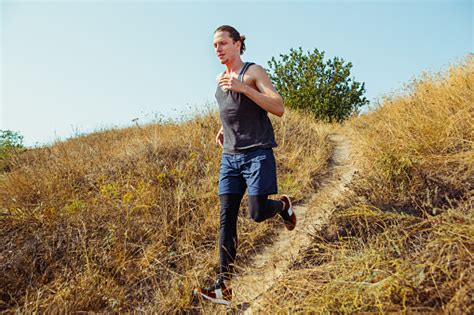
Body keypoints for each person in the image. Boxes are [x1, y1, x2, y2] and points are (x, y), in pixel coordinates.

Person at [193, 25, 296, 306]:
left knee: (258, 213)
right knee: (226, 218)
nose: (218, 49)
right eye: (215, 45)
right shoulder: (219, 78)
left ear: (238, 44)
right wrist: (223, 128)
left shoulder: (253, 72)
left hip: (257, 153)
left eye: (223, 43)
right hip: (230, 157)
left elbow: (278, 107)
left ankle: (282, 207)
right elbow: (231, 109)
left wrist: (243, 88)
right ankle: (223, 287)